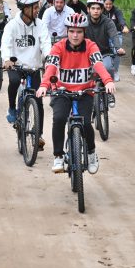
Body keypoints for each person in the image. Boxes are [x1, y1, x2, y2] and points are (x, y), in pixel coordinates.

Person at [36, 13, 115, 173]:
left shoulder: (91, 46)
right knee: (58, 119)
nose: (75, 35)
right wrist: (44, 85)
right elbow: (51, 67)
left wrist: (107, 80)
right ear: (67, 31)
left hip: (85, 91)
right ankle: (58, 156)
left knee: (86, 123)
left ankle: (91, 153)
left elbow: (99, 64)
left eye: (79, 32)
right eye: (72, 31)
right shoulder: (58, 47)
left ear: (84, 32)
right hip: (62, 92)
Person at [2, 0, 51, 150]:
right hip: (16, 65)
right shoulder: (12, 25)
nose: (37, 10)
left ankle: (39, 135)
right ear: (25, 9)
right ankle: (12, 107)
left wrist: (49, 58)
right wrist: (7, 60)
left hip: (34, 66)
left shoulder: (41, 24)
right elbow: (6, 44)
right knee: (15, 81)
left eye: (38, 7)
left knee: (38, 100)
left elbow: (45, 42)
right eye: (35, 7)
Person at [85, 0, 124, 107]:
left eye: (98, 8)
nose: (96, 11)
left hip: (104, 53)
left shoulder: (108, 22)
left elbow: (114, 35)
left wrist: (118, 48)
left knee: (108, 68)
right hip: (87, 54)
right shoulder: (84, 22)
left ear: (102, 10)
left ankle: (109, 92)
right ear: (88, 9)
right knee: (86, 75)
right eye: (93, 8)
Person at [101, 0, 128, 82]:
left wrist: (124, 26)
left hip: (116, 34)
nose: (108, 6)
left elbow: (121, 19)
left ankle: (115, 70)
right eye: (106, 4)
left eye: (110, 4)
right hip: (104, 35)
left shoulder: (117, 11)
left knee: (118, 49)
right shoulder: (100, 11)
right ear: (103, 3)